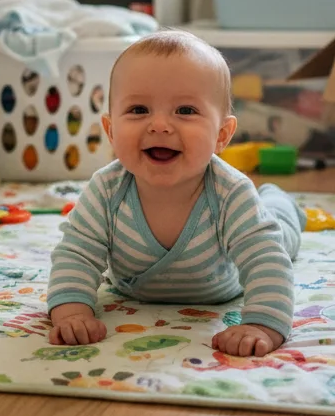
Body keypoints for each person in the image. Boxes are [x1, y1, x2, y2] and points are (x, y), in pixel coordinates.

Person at [47, 30, 304, 358]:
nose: (159, 126)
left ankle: (280, 203)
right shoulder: (105, 190)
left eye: (185, 110)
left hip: (223, 285)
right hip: (131, 288)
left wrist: (262, 324)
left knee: (280, 235)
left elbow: (264, 259)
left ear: (222, 135)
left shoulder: (230, 192)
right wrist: (72, 313)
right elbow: (77, 254)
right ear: (111, 131)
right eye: (139, 110)